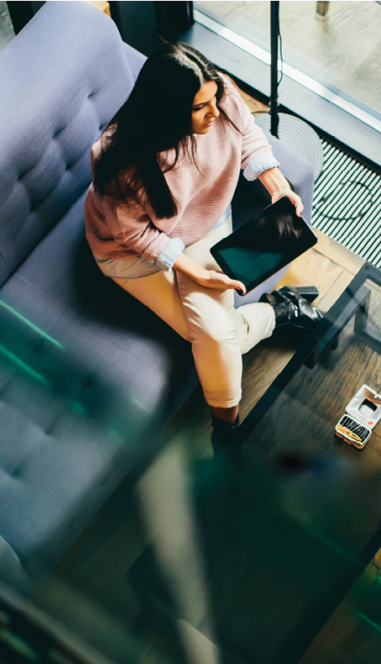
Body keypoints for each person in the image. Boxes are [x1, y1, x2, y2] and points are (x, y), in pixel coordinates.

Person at [84, 43, 321, 452]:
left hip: (205, 224)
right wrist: (189, 270)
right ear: (168, 112)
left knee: (215, 336)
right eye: (200, 107)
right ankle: (275, 321)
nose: (215, 110)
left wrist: (276, 184)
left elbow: (248, 135)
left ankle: (278, 318)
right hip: (132, 254)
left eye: (215, 97)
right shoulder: (118, 162)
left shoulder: (220, 96)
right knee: (216, 334)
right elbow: (135, 235)